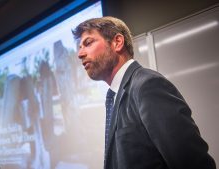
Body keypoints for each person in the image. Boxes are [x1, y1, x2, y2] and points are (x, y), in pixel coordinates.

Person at [72, 16, 216, 169]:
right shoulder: (116, 95)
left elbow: (194, 164)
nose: (80, 54)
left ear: (117, 42)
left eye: (88, 43)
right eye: (80, 47)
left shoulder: (147, 85)